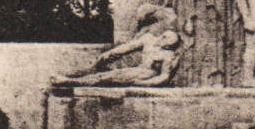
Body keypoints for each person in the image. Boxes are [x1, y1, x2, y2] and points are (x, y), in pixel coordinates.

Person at [55, 6, 183, 87]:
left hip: (145, 74)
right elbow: (124, 49)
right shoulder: (148, 38)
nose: (161, 38)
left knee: (107, 77)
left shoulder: (167, 53)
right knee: (106, 73)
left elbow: (164, 76)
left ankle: (71, 81)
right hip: (138, 71)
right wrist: (107, 55)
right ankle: (73, 77)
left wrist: (142, 84)